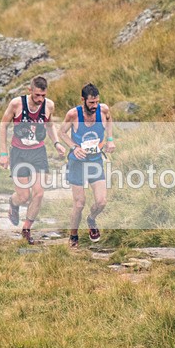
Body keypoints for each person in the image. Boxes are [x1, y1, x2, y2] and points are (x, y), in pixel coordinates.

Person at [0, 76, 65, 244]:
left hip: (38, 153)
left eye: (43, 95)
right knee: (23, 196)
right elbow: (3, 125)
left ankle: (26, 229)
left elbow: (49, 125)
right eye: (37, 95)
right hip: (19, 153)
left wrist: (57, 143)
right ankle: (13, 204)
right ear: (30, 91)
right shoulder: (17, 104)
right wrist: (3, 153)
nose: (40, 99)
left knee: (39, 193)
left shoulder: (49, 105)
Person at [59, 83, 115, 248]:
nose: (94, 106)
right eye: (91, 103)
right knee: (79, 203)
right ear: (83, 100)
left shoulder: (103, 110)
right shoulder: (73, 114)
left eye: (96, 102)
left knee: (102, 201)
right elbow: (61, 132)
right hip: (77, 163)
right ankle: (73, 235)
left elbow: (109, 120)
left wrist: (110, 139)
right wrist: (74, 147)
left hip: (95, 161)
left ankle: (91, 219)